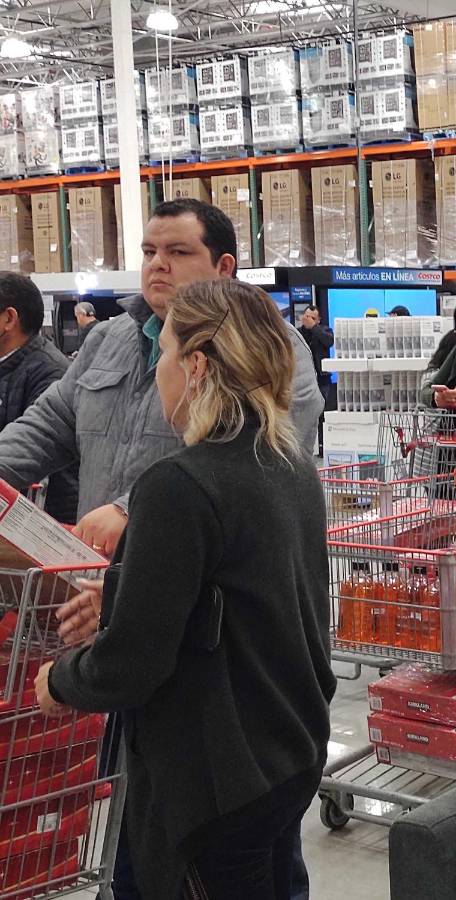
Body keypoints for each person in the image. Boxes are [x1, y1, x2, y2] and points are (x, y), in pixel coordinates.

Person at [0, 198, 323, 900]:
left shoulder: (202, 467)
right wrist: (124, 593)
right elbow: (48, 424)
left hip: (210, 714)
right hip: (233, 704)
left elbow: (136, 659)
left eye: (176, 252)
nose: (156, 266)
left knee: (184, 858)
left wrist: (63, 679)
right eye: (149, 251)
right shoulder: (112, 341)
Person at [0, 273, 78, 522]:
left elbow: (37, 450)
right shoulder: (9, 365)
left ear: (9, 319)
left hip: (41, 522)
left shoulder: (51, 372)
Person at [298, 304, 334, 409]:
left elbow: (329, 342)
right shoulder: (297, 333)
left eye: (313, 318)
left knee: (322, 409)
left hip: (322, 380)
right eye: (307, 317)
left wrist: (314, 327)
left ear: (318, 320)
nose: (309, 320)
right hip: (304, 380)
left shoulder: (325, 330)